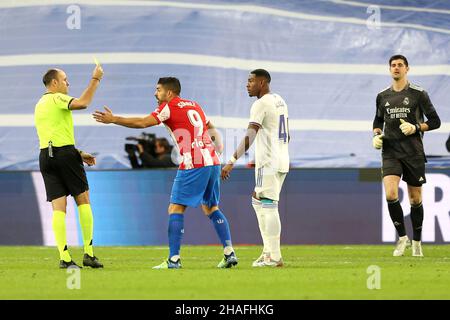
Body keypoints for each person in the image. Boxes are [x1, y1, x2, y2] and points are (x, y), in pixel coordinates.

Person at [93, 77, 238, 269]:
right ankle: (229, 253)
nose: (155, 93)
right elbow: (210, 128)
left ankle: (174, 259)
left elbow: (143, 123)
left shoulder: (168, 107)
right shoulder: (195, 105)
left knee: (175, 209)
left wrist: (114, 119)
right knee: (211, 207)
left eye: (158, 90)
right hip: (212, 162)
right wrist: (218, 148)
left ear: (169, 93)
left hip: (193, 163)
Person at [34, 65, 104, 269]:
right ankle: (89, 254)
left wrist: (79, 153)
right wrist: (95, 79)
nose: (68, 83)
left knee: (58, 207)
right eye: (65, 80)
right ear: (54, 83)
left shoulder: (39, 104)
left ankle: (64, 258)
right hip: (64, 155)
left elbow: (53, 135)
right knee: (83, 200)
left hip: (45, 157)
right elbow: (83, 103)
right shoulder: (57, 98)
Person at [372, 54, 441, 257]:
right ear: (389, 69)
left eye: (400, 65)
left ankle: (417, 241)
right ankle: (403, 238)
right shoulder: (382, 96)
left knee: (414, 198)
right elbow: (377, 121)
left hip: (413, 153)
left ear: (407, 69)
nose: (396, 68)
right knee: (391, 194)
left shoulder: (419, 94)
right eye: (393, 65)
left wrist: (417, 127)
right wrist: (376, 135)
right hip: (391, 152)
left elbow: (436, 121)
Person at [221, 69, 289, 267]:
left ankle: (274, 257)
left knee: (268, 203)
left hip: (268, 162)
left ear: (262, 83)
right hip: (282, 158)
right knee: (257, 199)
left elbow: (250, 135)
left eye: (251, 81)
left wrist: (231, 160)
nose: (247, 84)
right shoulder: (280, 100)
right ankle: (267, 252)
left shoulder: (260, 104)